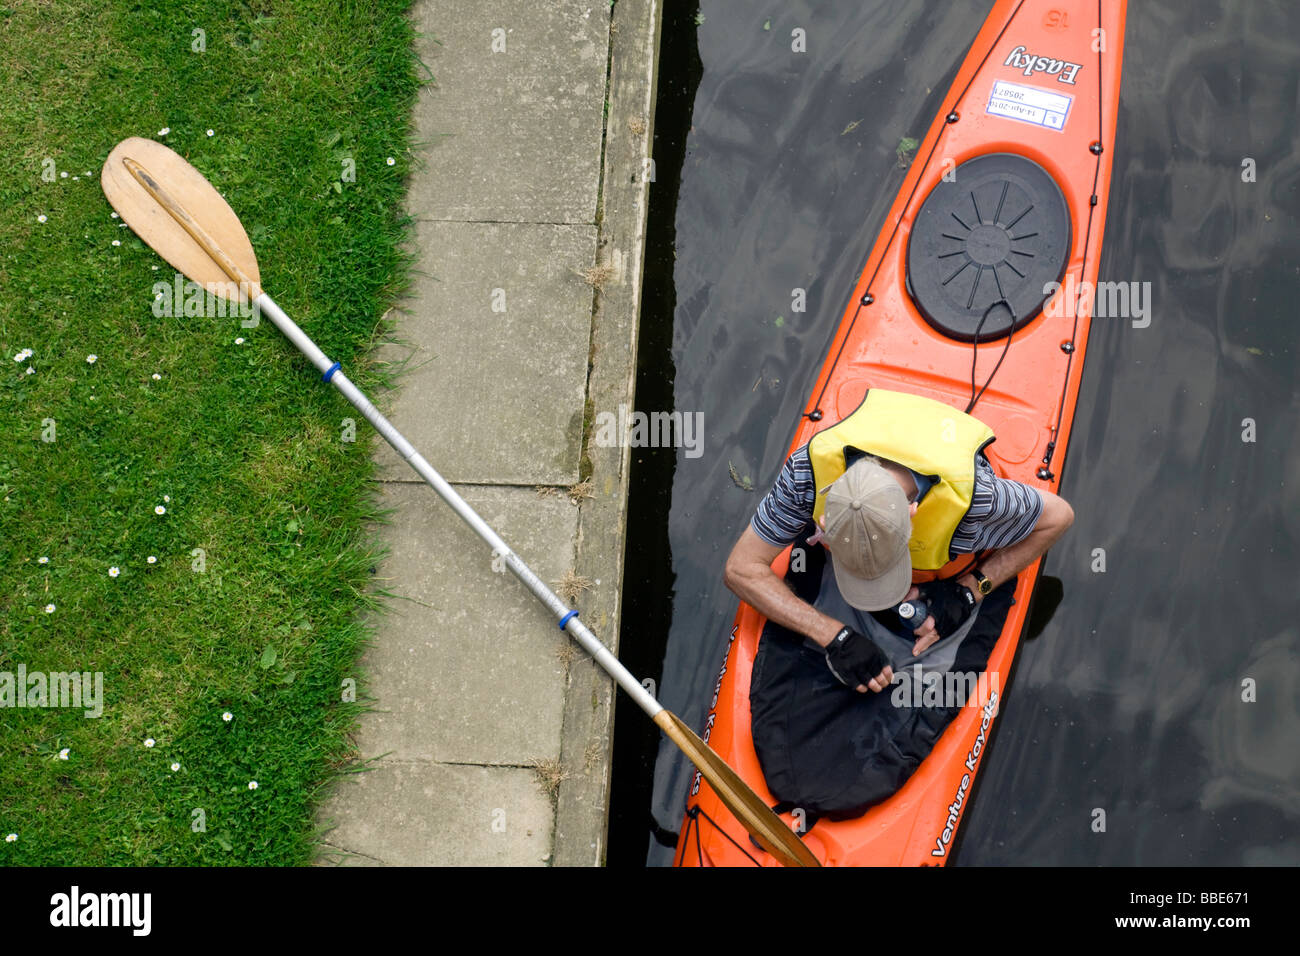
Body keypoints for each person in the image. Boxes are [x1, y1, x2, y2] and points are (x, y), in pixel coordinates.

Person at [724, 387, 1075, 696]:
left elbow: (1059, 518)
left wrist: (971, 590)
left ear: (912, 513)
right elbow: (740, 569)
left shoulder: (978, 501)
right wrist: (831, 634)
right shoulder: (807, 474)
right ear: (825, 519)